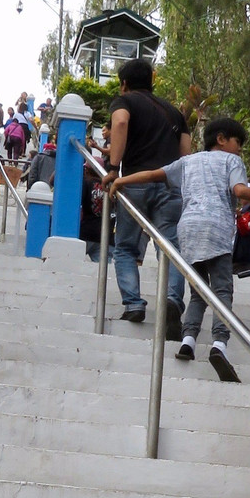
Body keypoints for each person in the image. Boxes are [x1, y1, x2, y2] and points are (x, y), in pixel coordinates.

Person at [111, 117, 250, 381]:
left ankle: (188, 341)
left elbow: (152, 175)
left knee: (197, 293)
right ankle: (219, 344)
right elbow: (239, 190)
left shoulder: (188, 162)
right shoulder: (231, 161)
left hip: (189, 229)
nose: (239, 149)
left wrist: (120, 181)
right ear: (221, 139)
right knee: (222, 291)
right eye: (238, 142)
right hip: (215, 229)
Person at [100, 59, 190, 340]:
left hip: (134, 184)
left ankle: (134, 304)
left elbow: (121, 122)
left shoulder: (124, 102)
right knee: (171, 248)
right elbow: (186, 154)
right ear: (151, 82)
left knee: (126, 247)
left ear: (124, 83)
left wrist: (114, 167)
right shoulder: (173, 111)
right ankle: (173, 302)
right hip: (169, 185)